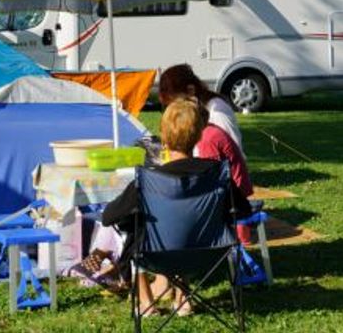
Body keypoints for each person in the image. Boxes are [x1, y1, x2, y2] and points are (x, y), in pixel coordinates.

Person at [101, 98, 251, 315]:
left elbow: (108, 217)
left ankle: (147, 303)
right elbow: (243, 209)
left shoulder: (149, 181)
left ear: (164, 137)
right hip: (210, 254)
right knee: (189, 225)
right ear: (199, 135)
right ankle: (183, 299)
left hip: (157, 256)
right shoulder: (218, 174)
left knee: (130, 229)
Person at [158, 64, 244, 155]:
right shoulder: (196, 112)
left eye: (176, 103)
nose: (174, 109)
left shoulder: (217, 112)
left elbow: (235, 151)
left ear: (191, 91)